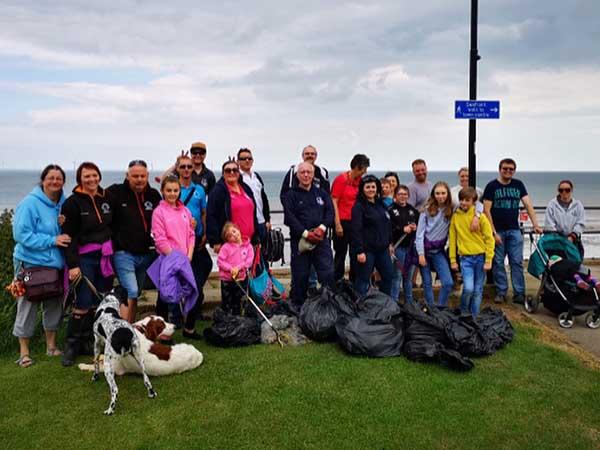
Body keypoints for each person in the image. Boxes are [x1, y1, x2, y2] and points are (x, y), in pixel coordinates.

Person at [11, 165, 70, 367]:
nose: (55, 182)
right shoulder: (29, 204)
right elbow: (21, 235)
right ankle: (24, 352)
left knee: (53, 305)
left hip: (54, 265)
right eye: (51, 178)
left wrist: (65, 224)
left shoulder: (63, 203)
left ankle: (51, 346)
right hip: (30, 264)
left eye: (59, 178)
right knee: (28, 304)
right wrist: (52, 240)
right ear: (43, 180)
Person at [61, 162, 114, 366]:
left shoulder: (107, 198)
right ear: (79, 179)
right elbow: (69, 236)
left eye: (94, 175)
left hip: (105, 256)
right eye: (86, 176)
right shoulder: (72, 203)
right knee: (82, 302)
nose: (91, 179)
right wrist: (73, 265)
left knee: (99, 301)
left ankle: (88, 341)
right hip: (84, 258)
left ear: (99, 176)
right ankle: (71, 345)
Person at [108, 159, 161, 323]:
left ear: (147, 176)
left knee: (135, 292)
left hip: (146, 254)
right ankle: (123, 330)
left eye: (142, 176)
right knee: (130, 290)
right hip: (123, 253)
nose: (139, 179)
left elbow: (166, 214)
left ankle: (128, 328)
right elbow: (93, 202)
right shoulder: (114, 192)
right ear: (127, 176)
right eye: (135, 176)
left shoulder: (153, 195)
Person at [482, 158, 542, 304]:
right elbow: (486, 210)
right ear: (500, 169)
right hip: (498, 231)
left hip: (514, 230)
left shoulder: (518, 184)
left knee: (517, 262)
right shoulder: (491, 186)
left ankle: (519, 293)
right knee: (498, 263)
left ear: (514, 171)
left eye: (511, 169)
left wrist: (536, 224)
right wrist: (493, 232)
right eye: (505, 169)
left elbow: (528, 204)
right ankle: (501, 292)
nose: (508, 171)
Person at [282, 162, 335, 309]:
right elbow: (289, 217)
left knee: (327, 273)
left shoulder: (321, 193)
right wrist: (306, 233)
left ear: (313, 175)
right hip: (300, 241)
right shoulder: (291, 195)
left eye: (309, 172)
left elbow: (330, 212)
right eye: (302, 172)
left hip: (321, 240)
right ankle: (298, 307)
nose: (306, 175)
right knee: (301, 276)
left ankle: (329, 305)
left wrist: (322, 228)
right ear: (297, 175)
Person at [152, 175, 196, 326]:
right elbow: (160, 239)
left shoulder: (185, 211)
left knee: (191, 291)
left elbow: (191, 234)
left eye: (175, 190)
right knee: (164, 296)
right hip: (168, 260)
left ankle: (187, 328)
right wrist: (175, 259)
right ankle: (161, 332)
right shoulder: (159, 212)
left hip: (184, 260)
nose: (172, 193)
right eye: (169, 190)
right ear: (163, 191)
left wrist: (188, 256)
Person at [176, 155, 212, 338]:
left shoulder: (199, 189)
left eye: (189, 166)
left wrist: (205, 232)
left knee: (206, 266)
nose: (186, 170)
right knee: (182, 281)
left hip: (197, 240)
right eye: (182, 166)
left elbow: (204, 212)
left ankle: (189, 317)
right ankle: (184, 322)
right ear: (177, 168)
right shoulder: (173, 188)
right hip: (178, 243)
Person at [449, 187, 495, 317]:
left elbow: (489, 239)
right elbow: (452, 239)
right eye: (461, 200)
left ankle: (474, 316)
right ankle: (464, 312)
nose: (464, 203)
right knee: (468, 288)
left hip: (481, 257)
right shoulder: (455, 217)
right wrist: (453, 260)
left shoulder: (481, 217)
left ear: (473, 202)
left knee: (477, 290)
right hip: (465, 259)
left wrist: (488, 260)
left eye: (467, 200)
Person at [350, 174, 395, 296]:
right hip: (366, 250)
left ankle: (384, 304)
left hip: (382, 250)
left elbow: (387, 224)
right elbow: (355, 230)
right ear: (362, 189)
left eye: (373, 187)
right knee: (363, 280)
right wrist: (359, 251)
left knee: (388, 276)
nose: (371, 190)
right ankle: (360, 306)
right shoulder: (358, 207)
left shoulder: (381, 204)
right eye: (368, 187)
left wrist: (390, 243)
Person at [331, 154, 370, 282]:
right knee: (340, 253)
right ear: (358, 167)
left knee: (355, 253)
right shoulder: (341, 179)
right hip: (342, 220)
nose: (365, 172)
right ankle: (337, 281)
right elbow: (334, 201)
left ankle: (355, 281)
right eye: (364, 169)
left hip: (356, 222)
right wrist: (337, 223)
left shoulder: (360, 182)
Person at [207, 159, 259, 253]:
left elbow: (253, 214)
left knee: (249, 267)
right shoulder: (218, 192)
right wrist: (215, 240)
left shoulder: (246, 189)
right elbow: (211, 216)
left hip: (249, 242)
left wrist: (256, 236)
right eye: (228, 170)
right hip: (230, 243)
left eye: (235, 170)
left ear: (239, 173)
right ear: (223, 174)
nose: (232, 172)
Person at [415, 181, 454, 306]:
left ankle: (440, 308)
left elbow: (477, 204)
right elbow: (419, 234)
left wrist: (477, 215)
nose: (440, 196)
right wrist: (420, 254)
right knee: (427, 283)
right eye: (437, 193)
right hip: (424, 250)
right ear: (433, 194)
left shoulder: (452, 209)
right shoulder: (426, 210)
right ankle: (431, 309)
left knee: (448, 283)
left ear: (448, 194)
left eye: (443, 193)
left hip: (438, 251)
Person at [388, 184, 419, 303]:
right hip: (398, 248)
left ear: (408, 196)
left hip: (411, 248)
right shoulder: (390, 210)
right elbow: (388, 229)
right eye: (400, 194)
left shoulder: (413, 211)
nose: (402, 196)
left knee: (408, 277)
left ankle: (409, 303)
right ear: (395, 195)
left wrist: (415, 227)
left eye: (405, 194)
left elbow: (420, 226)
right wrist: (402, 229)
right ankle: (394, 303)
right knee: (397, 276)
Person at [217, 222, 254, 315]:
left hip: (241, 279)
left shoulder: (248, 246)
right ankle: (227, 320)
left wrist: (238, 267)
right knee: (228, 303)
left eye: (234, 231)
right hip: (227, 280)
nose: (234, 235)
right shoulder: (226, 248)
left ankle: (238, 319)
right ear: (227, 239)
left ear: (237, 229)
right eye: (230, 236)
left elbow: (249, 261)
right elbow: (220, 261)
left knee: (239, 302)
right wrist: (231, 269)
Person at [238, 148, 271, 247]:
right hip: (248, 224)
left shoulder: (256, 177)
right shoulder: (237, 178)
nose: (247, 161)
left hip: (261, 222)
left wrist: (267, 219)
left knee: (263, 255)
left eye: (249, 158)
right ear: (238, 161)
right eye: (243, 159)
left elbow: (263, 199)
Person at [544, 180, 585, 257]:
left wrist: (573, 236)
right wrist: (558, 238)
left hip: (573, 241)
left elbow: (581, 223)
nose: (564, 192)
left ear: (571, 190)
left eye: (567, 190)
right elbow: (549, 224)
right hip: (556, 242)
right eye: (561, 190)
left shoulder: (578, 205)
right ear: (558, 191)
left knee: (575, 263)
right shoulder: (552, 205)